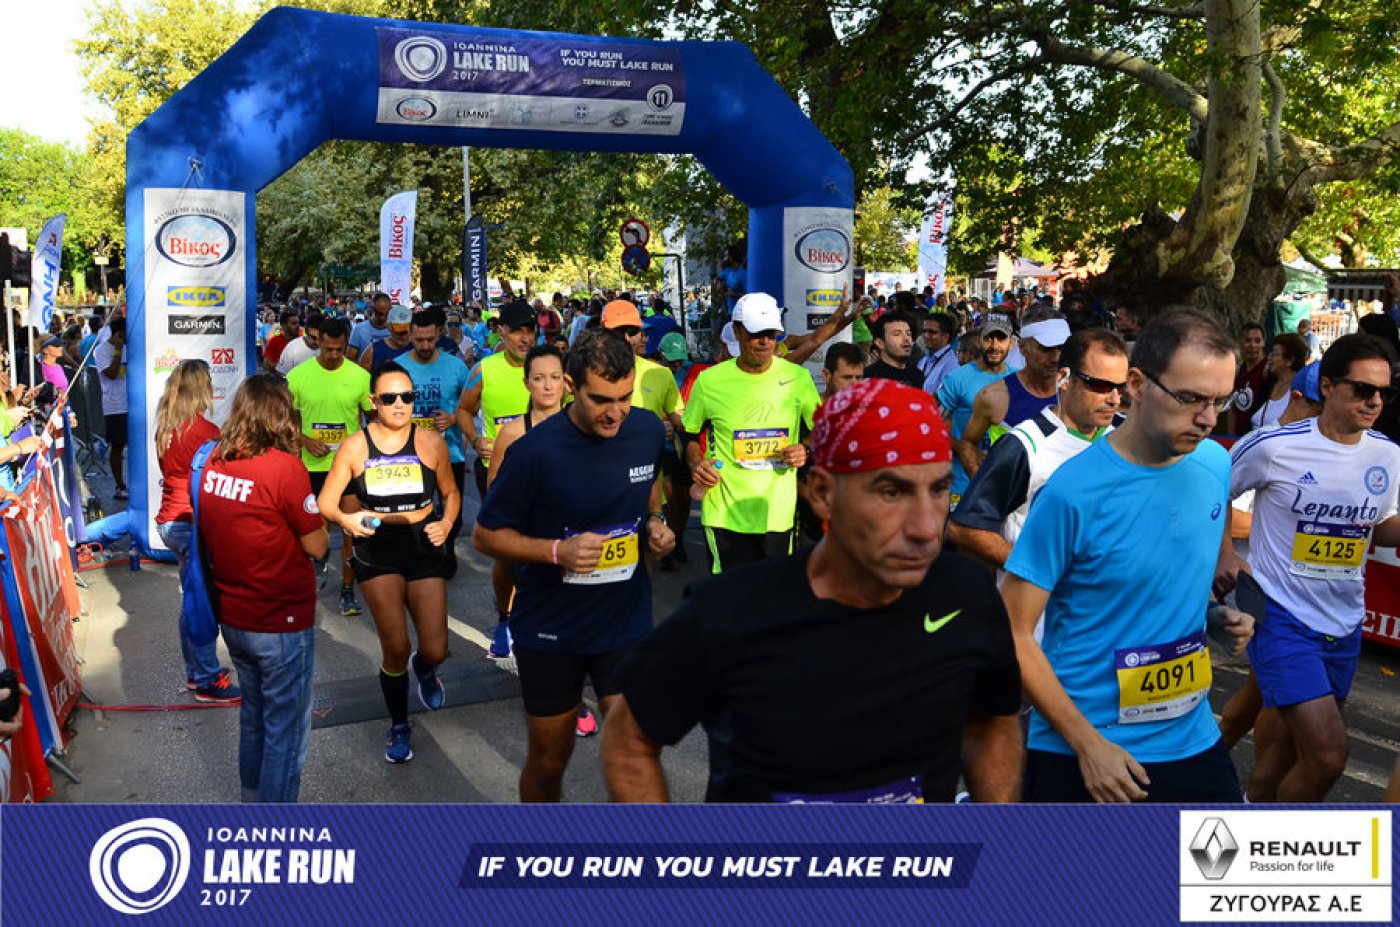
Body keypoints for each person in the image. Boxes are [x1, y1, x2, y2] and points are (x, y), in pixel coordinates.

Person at [603, 378, 1023, 803]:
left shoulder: (966, 594)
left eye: (937, 490)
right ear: (822, 493)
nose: (927, 527)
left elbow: (990, 723)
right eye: (891, 492)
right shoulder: (730, 611)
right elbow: (629, 739)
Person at [1000, 308, 1254, 803]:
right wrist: (1088, 745)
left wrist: (1209, 615)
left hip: (1192, 738)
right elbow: (1013, 630)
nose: (1207, 419)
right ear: (1136, 385)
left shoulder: (1213, 464)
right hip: (1086, 750)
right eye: (1190, 398)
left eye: (1219, 401)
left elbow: (1152, 577)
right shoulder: (1073, 492)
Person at [473, 330, 674, 801]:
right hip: (552, 630)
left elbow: (648, 490)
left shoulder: (645, 430)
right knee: (549, 760)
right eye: (601, 399)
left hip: (624, 622)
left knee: (636, 751)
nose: (615, 412)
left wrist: (657, 523)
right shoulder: (534, 452)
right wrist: (556, 553)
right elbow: (485, 535)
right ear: (570, 385)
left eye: (624, 398)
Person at [1216, 334, 1400, 802]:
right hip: (1282, 617)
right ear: (1329, 386)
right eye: (1363, 389)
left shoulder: (1387, 455)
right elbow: (1211, 492)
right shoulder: (1274, 446)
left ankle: (1252, 818)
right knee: (1328, 756)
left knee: (1288, 750)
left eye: (1385, 392)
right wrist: (1226, 555)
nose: (1375, 401)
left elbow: (1380, 528)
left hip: (1344, 622)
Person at [318, 363, 459, 764]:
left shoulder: (431, 442)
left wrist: (447, 523)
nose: (400, 404)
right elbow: (326, 502)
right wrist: (346, 520)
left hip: (423, 545)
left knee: (436, 648)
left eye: (407, 397)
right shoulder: (355, 446)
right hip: (377, 549)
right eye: (390, 397)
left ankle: (426, 670)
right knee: (396, 647)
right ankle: (399, 724)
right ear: (373, 401)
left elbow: (450, 493)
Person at [198, 375, 329, 802]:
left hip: (236, 618)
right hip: (281, 621)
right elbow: (317, 545)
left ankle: (252, 808)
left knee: (254, 720)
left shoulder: (215, 461)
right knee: (285, 735)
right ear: (280, 413)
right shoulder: (284, 468)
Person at [949, 329, 1128, 583]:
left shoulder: (1124, 439)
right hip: (1036, 606)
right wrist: (1038, 572)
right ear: (1064, 379)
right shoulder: (1024, 445)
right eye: (1101, 386)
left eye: (1121, 387)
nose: (1114, 399)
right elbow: (965, 528)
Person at [683, 292, 820, 573]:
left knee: (771, 595)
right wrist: (696, 463)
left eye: (772, 334)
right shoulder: (710, 381)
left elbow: (822, 432)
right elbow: (689, 433)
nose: (765, 342)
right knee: (731, 596)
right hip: (724, 514)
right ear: (736, 331)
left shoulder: (798, 378)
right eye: (756, 334)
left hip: (777, 514)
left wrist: (805, 449)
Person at [154, 359, 239, 703]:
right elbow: (219, 481)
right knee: (200, 603)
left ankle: (197, 672)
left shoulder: (166, 426)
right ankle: (206, 678)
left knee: (192, 600)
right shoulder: (205, 431)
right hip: (189, 521)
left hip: (170, 521)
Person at [285, 317, 374, 617]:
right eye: (328, 349)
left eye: (340, 349)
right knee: (318, 529)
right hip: (312, 467)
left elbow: (373, 419)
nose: (334, 355)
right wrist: (305, 440)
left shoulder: (360, 376)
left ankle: (348, 590)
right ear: (318, 342)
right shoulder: (298, 376)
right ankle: (319, 562)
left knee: (351, 530)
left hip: (349, 468)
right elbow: (284, 419)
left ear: (346, 344)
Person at [397, 310, 472, 576]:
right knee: (415, 511)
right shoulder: (398, 368)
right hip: (409, 454)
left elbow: (471, 407)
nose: (425, 345)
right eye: (419, 340)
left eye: (430, 339)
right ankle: (423, 558)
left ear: (439, 334)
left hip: (450, 453)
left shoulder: (457, 367)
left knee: (453, 510)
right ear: (410, 336)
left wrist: (453, 418)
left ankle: (448, 548)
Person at [958, 308, 1070, 481]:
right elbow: (968, 444)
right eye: (1046, 349)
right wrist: (986, 490)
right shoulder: (995, 396)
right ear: (1023, 347)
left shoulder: (1080, 394)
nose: (1056, 357)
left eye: (1062, 348)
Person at [938, 311, 1015, 507]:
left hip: (1005, 487)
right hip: (962, 487)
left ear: (1012, 343)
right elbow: (935, 426)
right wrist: (967, 451)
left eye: (1001, 339)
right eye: (988, 338)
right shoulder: (957, 379)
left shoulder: (1019, 380)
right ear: (979, 340)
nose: (994, 346)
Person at [93, 317, 129, 499]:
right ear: (118, 334)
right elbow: (112, 373)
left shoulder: (130, 348)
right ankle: (119, 485)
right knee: (118, 446)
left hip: (133, 405)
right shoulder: (101, 351)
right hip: (115, 406)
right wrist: (118, 350)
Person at [1250, 333, 1308, 430]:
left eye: (1275, 354)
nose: (1269, 358)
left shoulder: (1301, 391)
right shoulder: (1268, 384)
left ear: (1289, 360)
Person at [1227, 322, 1269, 434]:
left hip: (1258, 436)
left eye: (1257, 341)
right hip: (1238, 436)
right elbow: (1233, 408)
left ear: (1264, 343)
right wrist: (1231, 438)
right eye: (1248, 340)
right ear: (1241, 343)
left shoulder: (1269, 370)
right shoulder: (1238, 371)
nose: (1253, 345)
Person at [863, 311, 923, 387]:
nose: (906, 338)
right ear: (880, 343)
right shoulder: (869, 378)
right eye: (897, 334)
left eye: (908, 334)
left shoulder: (917, 375)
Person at [918, 311, 959, 397]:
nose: (926, 336)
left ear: (946, 336)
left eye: (932, 332)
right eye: (924, 331)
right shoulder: (924, 360)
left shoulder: (952, 364)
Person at [359, 305, 413, 369]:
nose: (404, 337)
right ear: (389, 327)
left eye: (407, 332)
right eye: (399, 332)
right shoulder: (373, 350)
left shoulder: (417, 347)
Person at [347, 293, 392, 362]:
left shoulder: (396, 329)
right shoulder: (358, 329)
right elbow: (350, 357)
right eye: (379, 313)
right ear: (372, 309)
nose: (382, 317)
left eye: (386, 314)